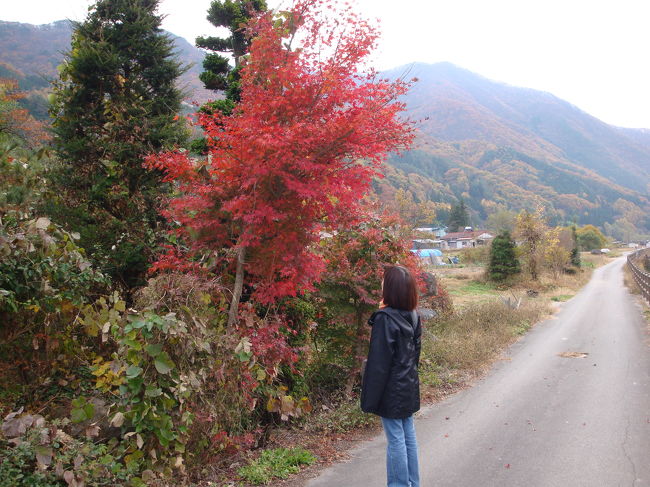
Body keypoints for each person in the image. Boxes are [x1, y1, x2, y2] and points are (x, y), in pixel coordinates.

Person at [361, 265, 422, 487]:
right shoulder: (412, 315)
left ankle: (399, 485)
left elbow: (379, 364)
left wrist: (369, 400)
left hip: (391, 389)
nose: (381, 284)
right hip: (408, 385)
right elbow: (415, 355)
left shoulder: (385, 319)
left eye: (384, 281)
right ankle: (413, 483)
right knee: (408, 436)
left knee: (396, 439)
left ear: (392, 288)